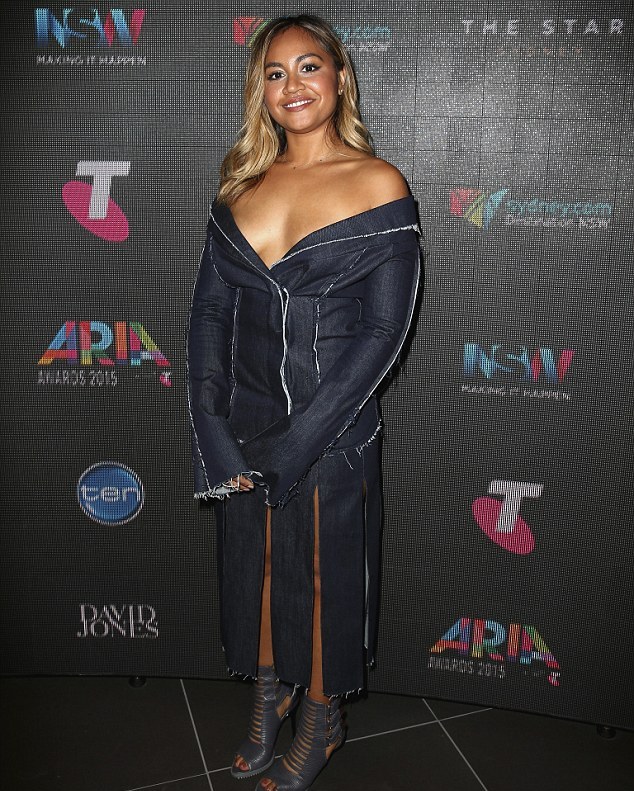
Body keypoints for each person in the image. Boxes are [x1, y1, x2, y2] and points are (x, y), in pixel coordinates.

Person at [187, 14, 421, 791]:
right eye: (275, 72)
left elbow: (383, 332)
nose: (293, 84)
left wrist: (300, 443)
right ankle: (269, 695)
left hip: (334, 429)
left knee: (326, 576)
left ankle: (322, 717)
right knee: (254, 569)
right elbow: (209, 314)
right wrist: (213, 429)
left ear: (341, 78)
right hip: (245, 423)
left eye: (309, 66)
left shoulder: (379, 183)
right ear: (260, 91)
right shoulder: (240, 187)